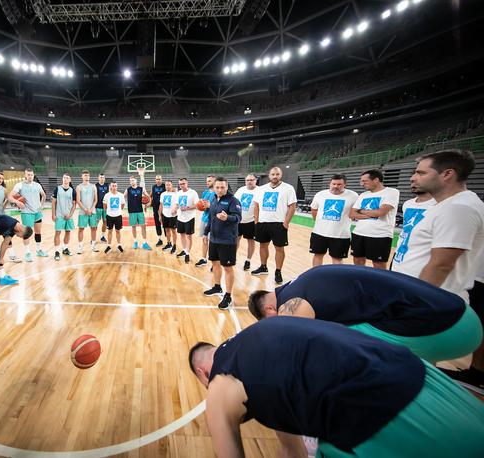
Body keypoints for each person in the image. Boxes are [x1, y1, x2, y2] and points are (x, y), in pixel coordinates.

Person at [189, 317, 484, 458]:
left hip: (385, 421)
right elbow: (291, 447)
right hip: (433, 384)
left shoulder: (218, 385)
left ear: (203, 373)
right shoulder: (263, 339)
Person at [249, 265, 482, 363]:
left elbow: (292, 346)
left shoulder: (292, 303)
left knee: (336, 344)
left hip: (449, 329)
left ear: (270, 309)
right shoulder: (298, 282)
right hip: (458, 311)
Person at [391, 149, 484, 389]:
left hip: (430, 306)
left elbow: (441, 264)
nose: (414, 177)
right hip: (429, 301)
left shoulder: (458, 208)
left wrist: (414, 306)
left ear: (447, 174)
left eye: (421, 172)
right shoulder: (451, 205)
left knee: (407, 373)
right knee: (414, 372)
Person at [251, 167, 297, 284]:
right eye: (272, 174)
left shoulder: (288, 188)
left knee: (279, 248)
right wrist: (256, 221)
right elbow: (256, 206)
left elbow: (292, 207)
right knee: (263, 246)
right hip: (263, 222)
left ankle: (278, 271)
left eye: (277, 174)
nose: (275, 176)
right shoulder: (261, 189)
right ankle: (263, 267)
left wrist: (286, 222)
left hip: (279, 224)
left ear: (280, 175)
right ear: (269, 175)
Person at [202, 177, 241, 310]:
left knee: (228, 268)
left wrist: (227, 217)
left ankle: (228, 296)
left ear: (226, 186)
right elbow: (211, 218)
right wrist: (206, 232)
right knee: (215, 263)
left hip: (227, 240)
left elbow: (238, 218)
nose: (219, 190)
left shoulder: (233, 201)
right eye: (217, 187)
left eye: (222, 187)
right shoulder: (213, 199)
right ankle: (217, 287)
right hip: (214, 238)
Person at [349, 169, 400, 270]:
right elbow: (352, 214)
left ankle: (378, 285)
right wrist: (372, 213)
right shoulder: (363, 195)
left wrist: (361, 211)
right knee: (357, 261)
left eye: (365, 181)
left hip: (380, 235)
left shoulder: (391, 192)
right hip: (359, 233)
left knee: (378, 265)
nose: (361, 184)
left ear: (376, 180)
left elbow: (381, 213)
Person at [309, 174, 358, 266]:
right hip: (319, 232)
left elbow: (355, 212)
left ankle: (337, 279)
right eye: (333, 184)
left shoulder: (353, 196)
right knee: (318, 255)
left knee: (337, 259)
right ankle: (316, 277)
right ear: (330, 184)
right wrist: (318, 222)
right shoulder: (320, 194)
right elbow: (314, 209)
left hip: (341, 235)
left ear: (345, 185)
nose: (335, 186)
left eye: (339, 184)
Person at [8, 168, 47, 262]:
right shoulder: (20, 185)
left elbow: (44, 195)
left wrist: (41, 205)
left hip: (37, 212)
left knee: (38, 232)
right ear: (25, 175)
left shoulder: (37, 185)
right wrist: (17, 202)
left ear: (33, 175)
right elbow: (10, 196)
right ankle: (27, 253)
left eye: (31, 175)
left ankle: (39, 250)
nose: (30, 176)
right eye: (28, 175)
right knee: (27, 233)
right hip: (26, 212)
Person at [392, 187, 435, 267]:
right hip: (399, 257)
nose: (413, 178)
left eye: (421, 174)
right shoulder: (408, 203)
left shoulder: (443, 205)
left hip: (420, 264)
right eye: (414, 173)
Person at [234, 173, 258, 271]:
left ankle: (248, 260)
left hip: (251, 221)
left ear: (256, 180)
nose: (249, 182)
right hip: (239, 220)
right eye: (247, 180)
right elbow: (234, 202)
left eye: (251, 180)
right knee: (236, 240)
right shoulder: (241, 190)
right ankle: (233, 257)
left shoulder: (260, 191)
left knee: (251, 242)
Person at [51, 173, 77, 261]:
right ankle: (57, 251)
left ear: (70, 180)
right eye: (64, 178)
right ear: (62, 179)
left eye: (67, 178)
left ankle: (65, 248)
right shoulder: (57, 189)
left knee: (68, 232)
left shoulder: (72, 190)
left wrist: (70, 215)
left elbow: (74, 204)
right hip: (59, 215)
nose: (65, 179)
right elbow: (53, 202)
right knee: (57, 232)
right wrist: (53, 214)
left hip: (68, 216)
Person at [175, 178, 200, 264]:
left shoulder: (193, 193)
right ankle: (184, 250)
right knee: (182, 234)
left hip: (189, 218)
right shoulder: (178, 193)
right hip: (180, 217)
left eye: (183, 183)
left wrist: (187, 208)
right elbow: (177, 204)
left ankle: (187, 254)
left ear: (187, 183)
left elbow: (197, 205)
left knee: (189, 236)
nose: (182, 185)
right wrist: (175, 209)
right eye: (180, 184)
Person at [124, 175, 152, 250]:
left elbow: (148, 196)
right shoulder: (128, 189)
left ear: (136, 181)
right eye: (130, 181)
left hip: (140, 210)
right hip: (131, 211)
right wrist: (124, 205)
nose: (131, 182)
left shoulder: (141, 189)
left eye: (133, 180)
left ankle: (144, 243)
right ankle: (135, 242)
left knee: (143, 226)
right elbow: (122, 197)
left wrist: (149, 203)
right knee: (133, 227)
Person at [75, 170, 99, 254]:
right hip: (83, 211)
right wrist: (85, 210)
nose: (86, 177)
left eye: (88, 176)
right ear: (82, 177)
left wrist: (91, 209)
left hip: (92, 211)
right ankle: (80, 246)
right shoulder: (79, 187)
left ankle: (93, 245)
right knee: (81, 229)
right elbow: (78, 200)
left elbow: (96, 200)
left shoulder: (93, 186)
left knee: (93, 228)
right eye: (85, 175)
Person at [195, 175, 216, 267]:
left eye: (210, 181)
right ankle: (203, 259)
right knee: (204, 239)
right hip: (204, 219)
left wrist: (210, 206)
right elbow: (202, 206)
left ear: (215, 182)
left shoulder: (217, 193)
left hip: (214, 220)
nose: (207, 182)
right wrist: (200, 205)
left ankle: (214, 262)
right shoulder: (205, 193)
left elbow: (220, 207)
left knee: (213, 241)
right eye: (207, 181)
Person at [102, 180, 125, 253]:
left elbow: (122, 205)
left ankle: (119, 245)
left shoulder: (120, 195)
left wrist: (118, 211)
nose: (114, 187)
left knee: (118, 231)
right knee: (110, 231)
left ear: (117, 186)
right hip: (109, 216)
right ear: (110, 187)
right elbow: (104, 205)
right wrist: (109, 211)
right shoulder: (107, 195)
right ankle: (109, 246)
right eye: (112, 186)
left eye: (115, 186)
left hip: (118, 216)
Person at [159, 180, 178, 253]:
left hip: (172, 215)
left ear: (171, 185)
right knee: (166, 230)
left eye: (169, 185)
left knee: (173, 231)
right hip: (165, 215)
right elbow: (161, 205)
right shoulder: (163, 194)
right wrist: (160, 215)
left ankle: (175, 245)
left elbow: (178, 204)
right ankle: (169, 243)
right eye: (166, 185)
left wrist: (176, 210)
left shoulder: (175, 194)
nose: (167, 186)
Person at [151, 175, 166, 246]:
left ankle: (168, 240)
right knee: (157, 224)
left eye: (159, 179)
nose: (158, 180)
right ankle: (160, 239)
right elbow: (151, 195)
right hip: (155, 208)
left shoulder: (164, 186)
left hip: (164, 208)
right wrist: (148, 201)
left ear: (161, 179)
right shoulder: (153, 187)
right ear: (155, 180)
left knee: (165, 224)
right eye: (157, 179)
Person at [95, 173, 110, 243]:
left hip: (106, 207)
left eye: (103, 177)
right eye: (101, 177)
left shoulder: (107, 185)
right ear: (98, 178)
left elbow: (110, 195)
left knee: (105, 222)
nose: (102, 179)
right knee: (96, 222)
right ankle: (93, 238)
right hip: (98, 207)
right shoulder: (95, 186)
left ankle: (103, 237)